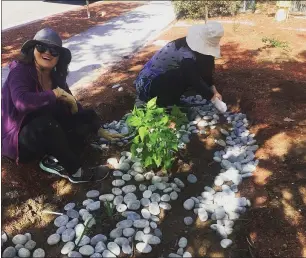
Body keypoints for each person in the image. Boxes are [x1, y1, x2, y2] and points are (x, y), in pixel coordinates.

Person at [1, 28, 123, 183]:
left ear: (59, 57)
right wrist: (54, 94)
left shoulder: (55, 76)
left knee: (86, 115)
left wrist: (97, 127)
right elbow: (22, 103)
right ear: (33, 49)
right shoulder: (20, 71)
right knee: (46, 125)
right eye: (41, 47)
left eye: (54, 51)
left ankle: (53, 158)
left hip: (48, 130)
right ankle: (76, 172)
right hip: (21, 140)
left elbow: (72, 102)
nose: (47, 53)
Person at [134, 21, 226, 111]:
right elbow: (192, 78)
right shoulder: (185, 52)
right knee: (182, 75)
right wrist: (212, 98)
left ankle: (171, 100)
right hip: (148, 84)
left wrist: (214, 91)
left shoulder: (199, 53)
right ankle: (163, 104)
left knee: (187, 73)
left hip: (162, 81)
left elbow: (206, 74)